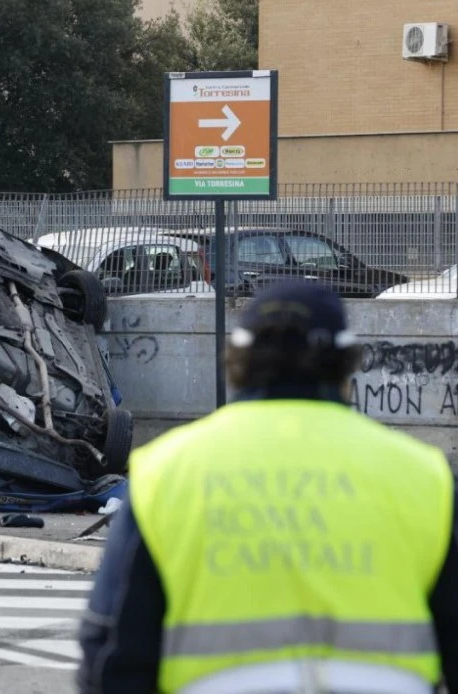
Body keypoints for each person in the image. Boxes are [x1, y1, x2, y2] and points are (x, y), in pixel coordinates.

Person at [78, 281, 458, 694]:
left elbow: (111, 653)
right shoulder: (423, 476)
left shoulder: (166, 474)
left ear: (237, 361)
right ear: (346, 364)